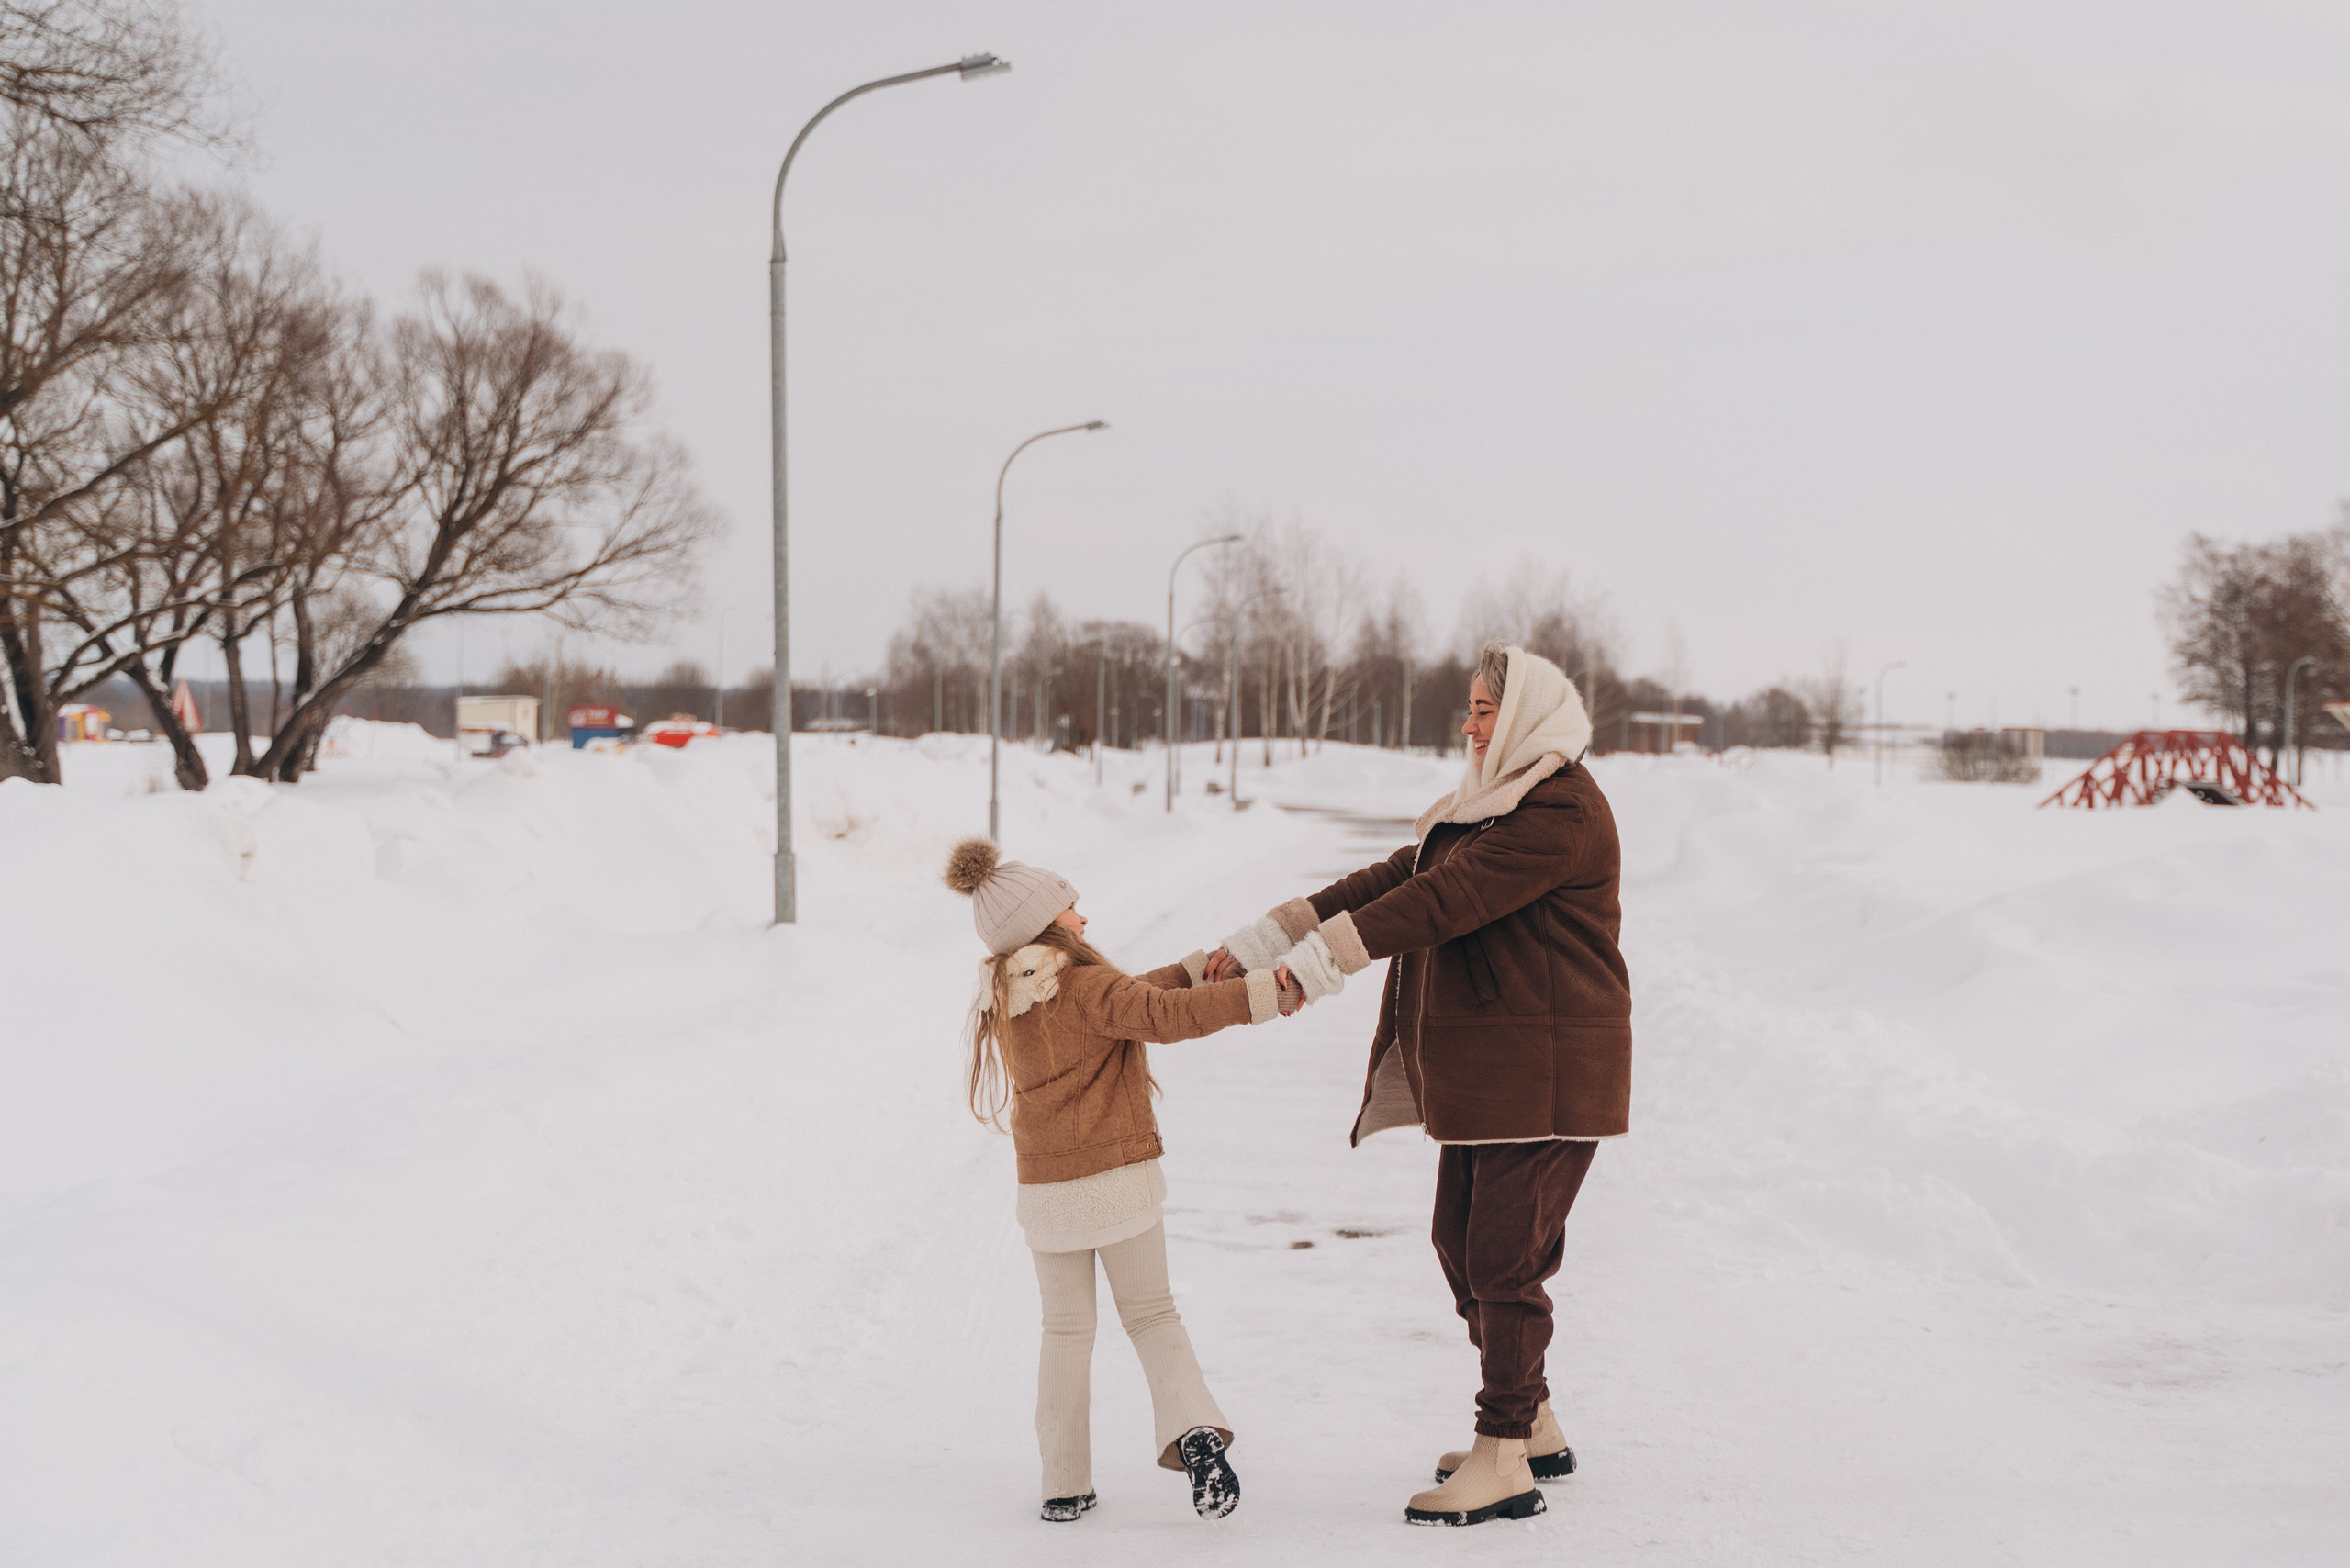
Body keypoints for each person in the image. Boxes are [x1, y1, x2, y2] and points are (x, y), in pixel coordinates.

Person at [1204, 642, 1630, 1527]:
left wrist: (1317, 968)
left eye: (1485, 710)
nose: (1470, 725)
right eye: (1470, 709)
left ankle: (1505, 1453)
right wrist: (1270, 938)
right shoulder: (1495, 803)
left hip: (1547, 1072)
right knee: (1457, 1241)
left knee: (1503, 1262)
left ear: (1524, 719)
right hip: (1497, 1072)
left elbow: (1444, 901)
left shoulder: (1559, 812)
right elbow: (1401, 875)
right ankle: (1534, 1418)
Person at [945, 836, 1305, 1525]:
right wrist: (1262, 994)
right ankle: (1195, 1433)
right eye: (1071, 908)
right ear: (1046, 923)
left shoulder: (1006, 998)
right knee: (1151, 1313)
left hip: (1047, 1195)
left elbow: (1135, 999)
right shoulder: (1084, 985)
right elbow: (1158, 1015)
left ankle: (1063, 1484)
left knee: (1064, 1331)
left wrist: (1204, 967)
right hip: (1117, 1182)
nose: (1084, 917)